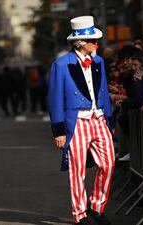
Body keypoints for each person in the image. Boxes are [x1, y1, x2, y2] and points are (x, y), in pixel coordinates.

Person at [48, 16, 114, 225]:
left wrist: (109, 122)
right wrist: (58, 130)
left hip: (99, 118)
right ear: (81, 42)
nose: (97, 43)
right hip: (75, 122)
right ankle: (80, 215)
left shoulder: (99, 61)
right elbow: (55, 98)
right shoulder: (61, 65)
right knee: (77, 171)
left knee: (109, 163)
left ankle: (96, 205)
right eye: (93, 40)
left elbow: (103, 92)